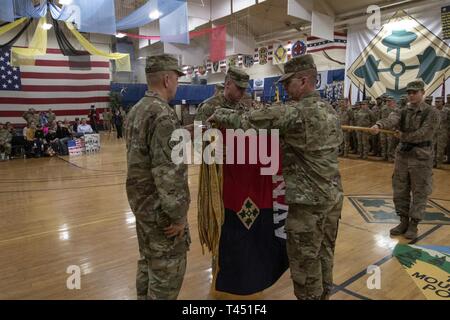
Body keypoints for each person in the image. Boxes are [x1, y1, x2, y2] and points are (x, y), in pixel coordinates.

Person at [209, 54, 344, 300]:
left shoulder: (296, 113)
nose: (283, 87)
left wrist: (220, 115)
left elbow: (246, 121)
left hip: (308, 204)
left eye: (287, 82)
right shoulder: (330, 110)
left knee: (305, 266)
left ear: (303, 81)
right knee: (324, 254)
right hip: (333, 198)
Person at [125, 54, 190, 300]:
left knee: (148, 262)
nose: (177, 84)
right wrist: (177, 216)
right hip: (161, 214)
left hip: (141, 206)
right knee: (167, 274)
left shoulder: (136, 110)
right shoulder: (163, 115)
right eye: (176, 79)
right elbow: (169, 174)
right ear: (166, 79)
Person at [370, 80, 439, 239]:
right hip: (403, 156)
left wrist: (403, 136)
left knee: (419, 190)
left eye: (414, 92)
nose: (411, 95)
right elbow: (392, 119)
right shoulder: (403, 110)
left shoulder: (432, 113)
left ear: (423, 92)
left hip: (421, 157)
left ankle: (413, 224)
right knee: (400, 189)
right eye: (409, 92)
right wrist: (379, 125)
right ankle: (403, 221)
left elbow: (425, 133)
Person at [433, 97, 448, 169]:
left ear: (442, 102)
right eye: (436, 102)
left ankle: (438, 163)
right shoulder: (433, 111)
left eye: (438, 102)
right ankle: (433, 162)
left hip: (443, 132)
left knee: (440, 148)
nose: (437, 103)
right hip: (434, 132)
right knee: (433, 147)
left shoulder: (447, 111)